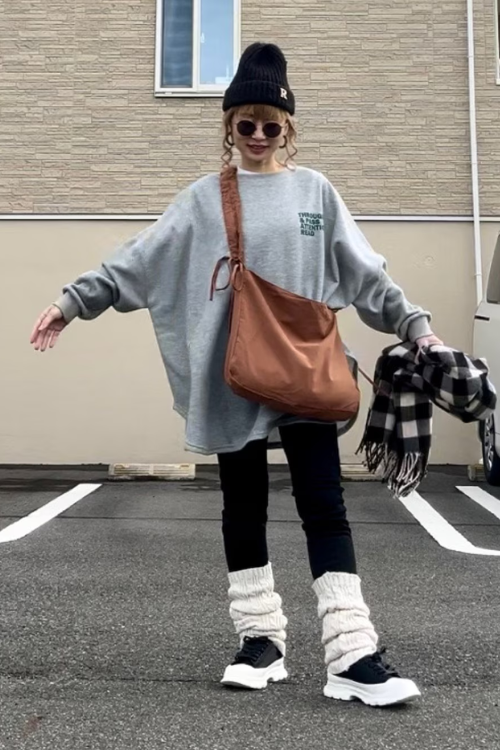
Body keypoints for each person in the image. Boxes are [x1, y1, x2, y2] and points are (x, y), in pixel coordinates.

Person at [30, 42, 443, 707]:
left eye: (269, 126)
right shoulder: (203, 200)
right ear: (228, 126)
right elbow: (138, 259)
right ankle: (260, 642)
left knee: (323, 503)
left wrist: (416, 327)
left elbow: (367, 274)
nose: (257, 136)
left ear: (288, 129)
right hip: (234, 373)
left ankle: (352, 651)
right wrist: (72, 302)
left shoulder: (315, 192)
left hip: (306, 368)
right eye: (245, 124)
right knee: (242, 505)